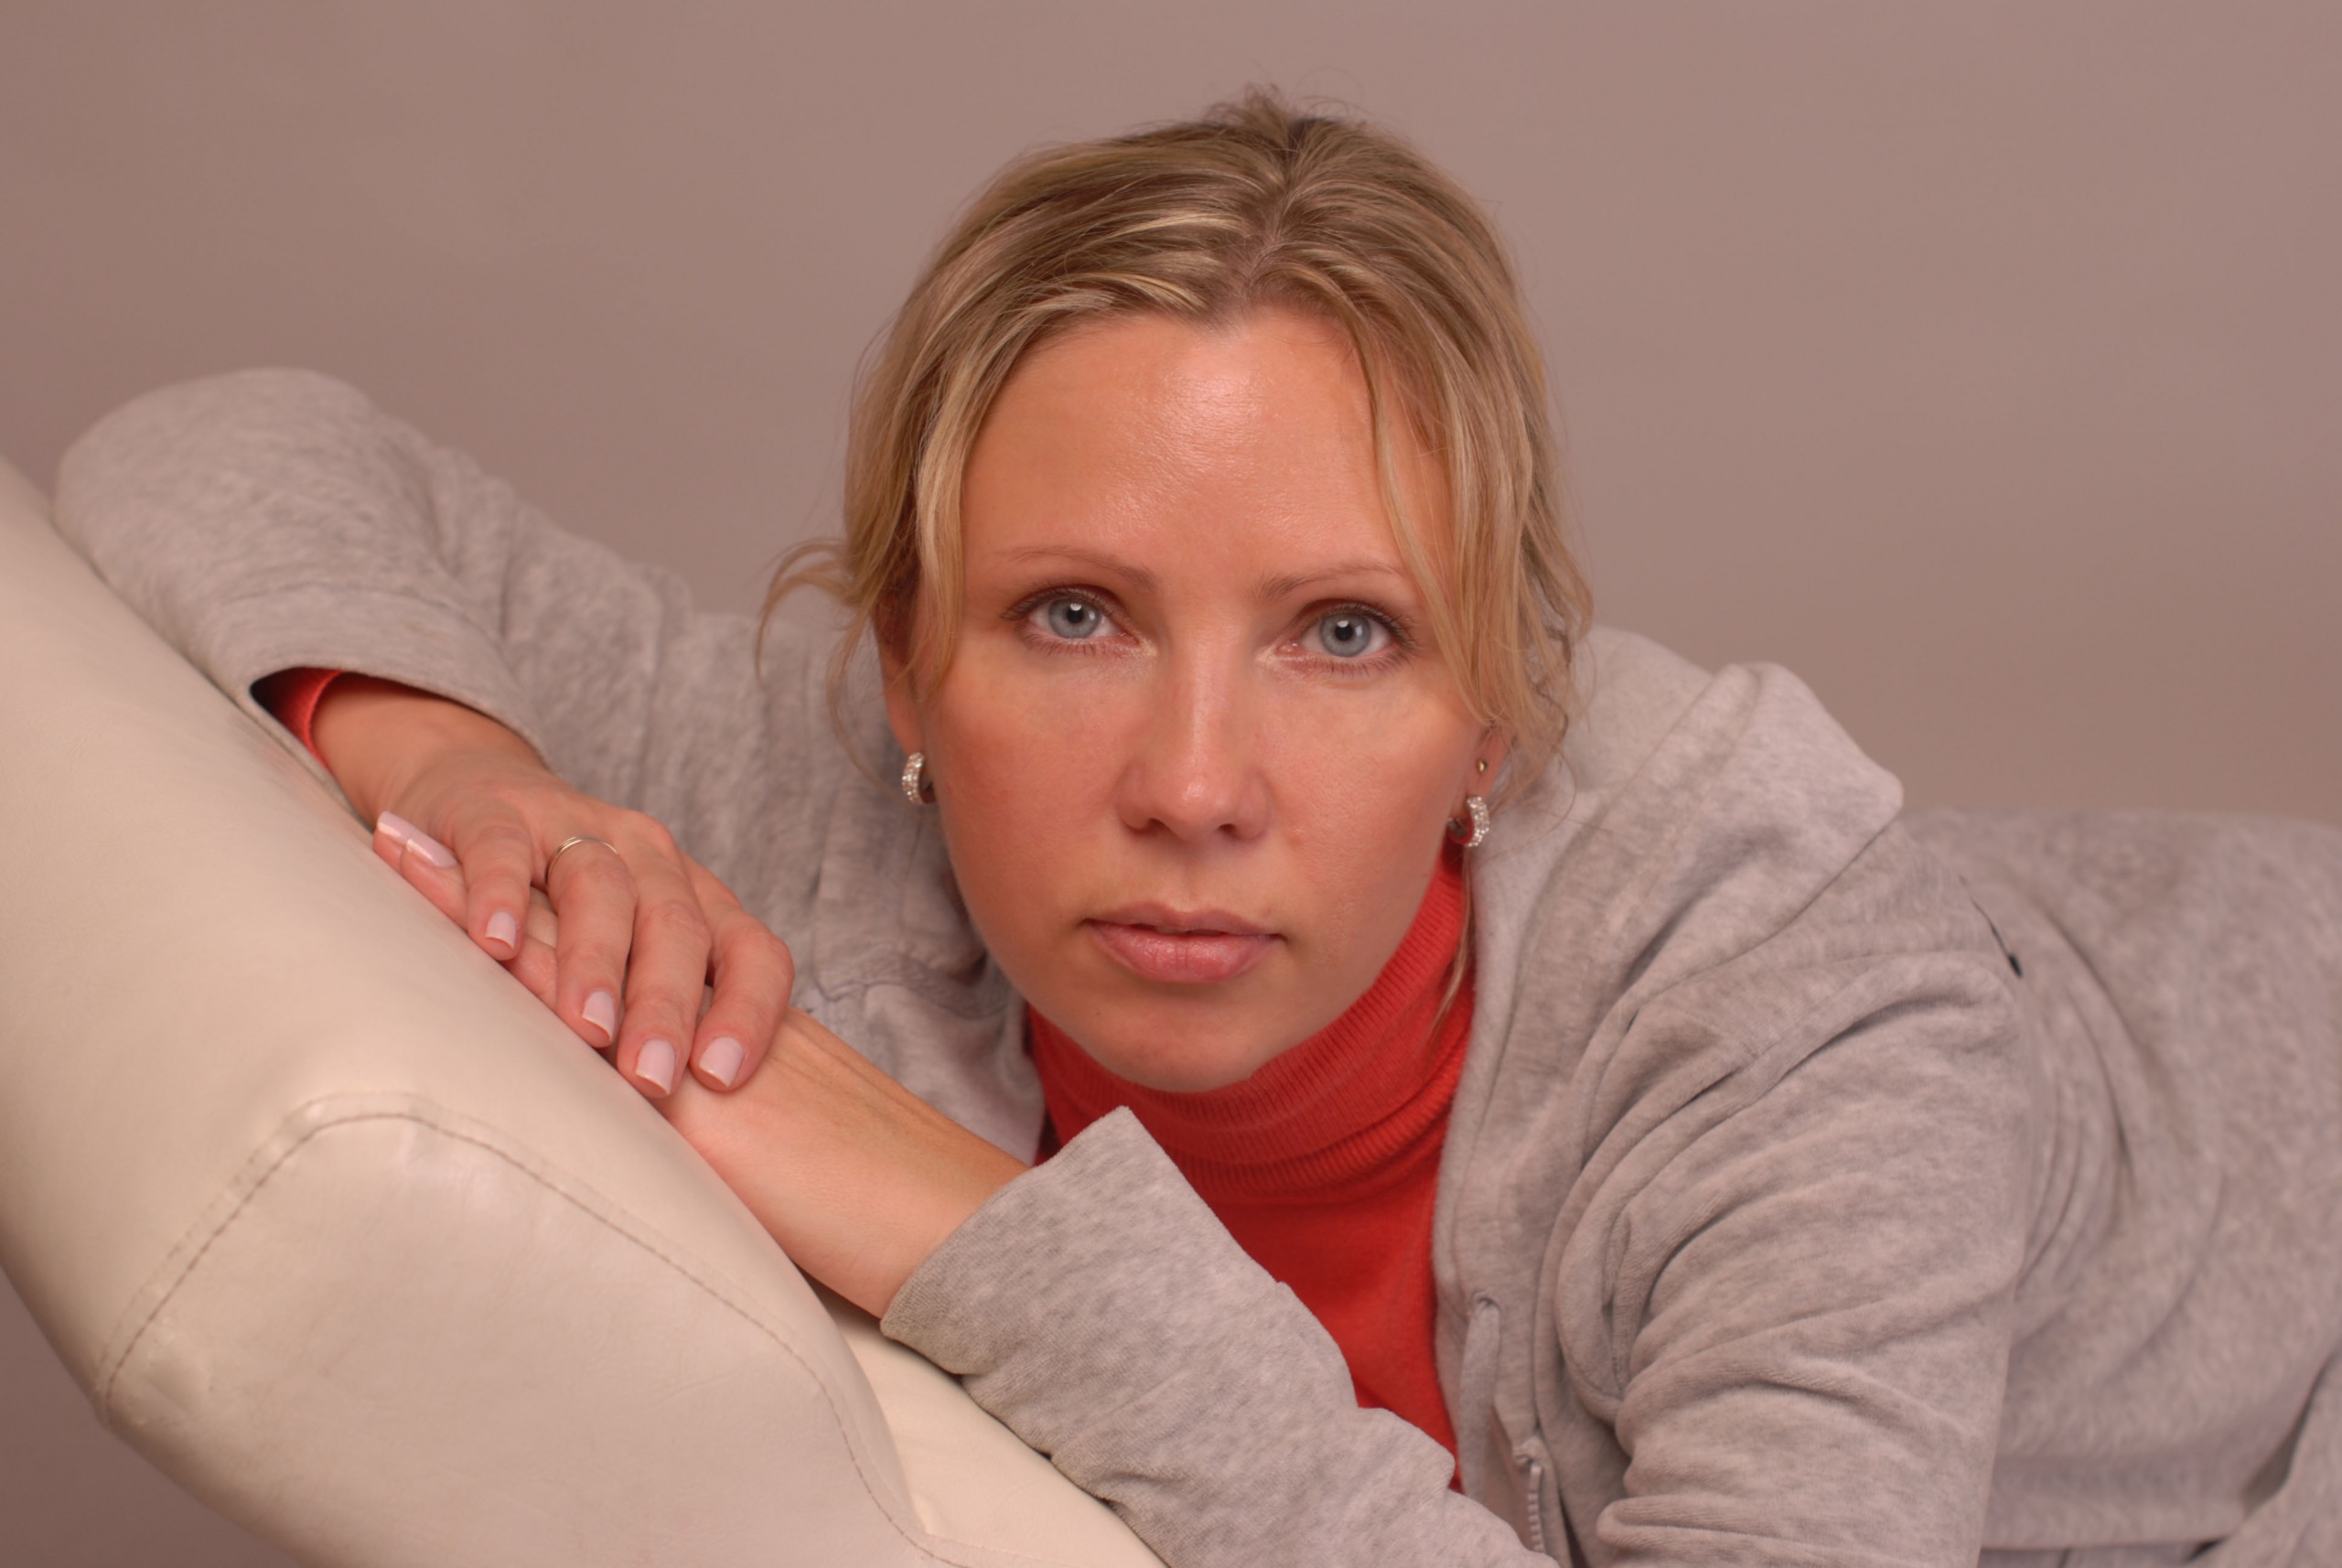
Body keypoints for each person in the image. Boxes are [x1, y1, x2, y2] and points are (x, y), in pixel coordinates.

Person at [54, 93, 2342, 1568]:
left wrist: (975, 1223)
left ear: (1496, 711)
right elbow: (214, 446)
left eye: (1343, 633)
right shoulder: (834, 778)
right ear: (902, 668)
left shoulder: (1793, 1006)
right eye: (1071, 614)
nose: (1187, 779)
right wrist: (475, 776)